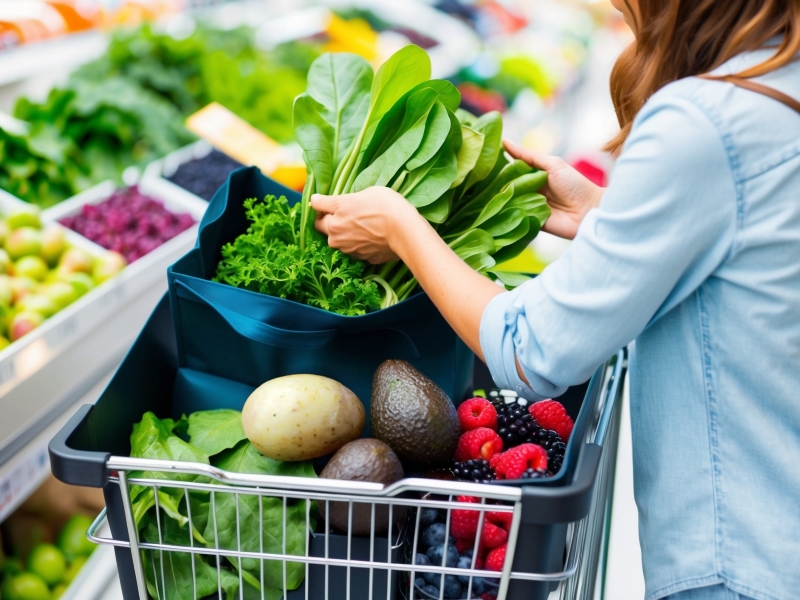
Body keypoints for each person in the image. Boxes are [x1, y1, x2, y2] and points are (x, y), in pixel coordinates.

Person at [310, 1, 800, 599]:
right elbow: (745, 247)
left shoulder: (704, 120)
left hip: (738, 562)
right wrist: (606, 218)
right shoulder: (780, 88)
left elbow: (529, 352)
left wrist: (403, 229)